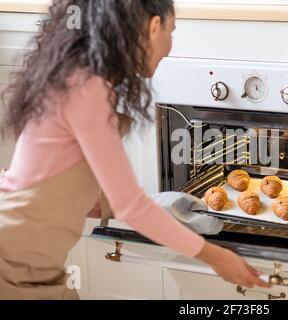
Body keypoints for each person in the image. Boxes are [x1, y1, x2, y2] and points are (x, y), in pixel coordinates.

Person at [0, 0, 270, 300]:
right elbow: (130, 205)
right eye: (172, 31)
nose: (169, 47)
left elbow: (63, 175)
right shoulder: (86, 90)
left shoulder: (81, 80)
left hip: (30, 261)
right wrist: (217, 257)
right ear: (154, 27)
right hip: (13, 263)